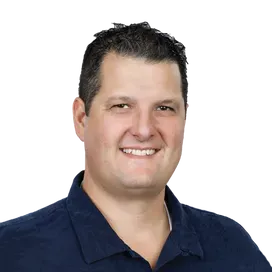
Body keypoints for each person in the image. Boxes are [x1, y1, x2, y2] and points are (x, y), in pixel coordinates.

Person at [0, 21, 271, 271]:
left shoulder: (236, 250)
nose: (144, 130)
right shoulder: (10, 254)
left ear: (184, 122)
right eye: (122, 106)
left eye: (164, 108)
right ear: (81, 119)